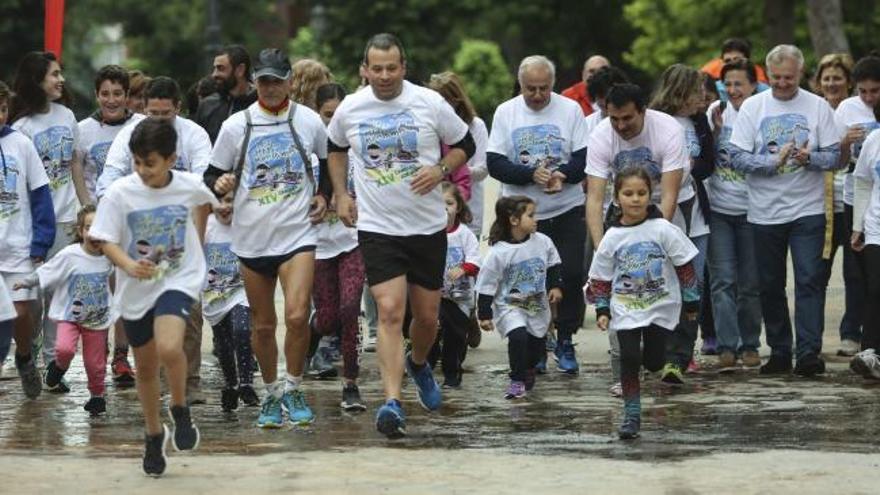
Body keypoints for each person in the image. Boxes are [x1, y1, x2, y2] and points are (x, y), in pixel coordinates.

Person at [326, 33, 475, 438]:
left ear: (404, 67)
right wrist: (341, 193)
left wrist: (441, 170)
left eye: (392, 68)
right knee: (390, 312)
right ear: (364, 69)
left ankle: (420, 363)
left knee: (426, 318)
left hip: (426, 227)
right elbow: (335, 148)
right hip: (378, 228)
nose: (385, 76)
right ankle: (392, 402)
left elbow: (466, 143)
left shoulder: (428, 102)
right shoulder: (352, 108)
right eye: (377, 68)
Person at [205, 47, 328, 428]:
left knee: (296, 315)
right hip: (251, 237)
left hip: (297, 233)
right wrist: (221, 185)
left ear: (290, 81)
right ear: (255, 81)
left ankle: (294, 385)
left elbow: (326, 162)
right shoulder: (236, 126)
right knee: (262, 325)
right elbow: (211, 175)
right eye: (265, 81)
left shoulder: (307, 120)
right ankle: (272, 393)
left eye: (278, 80)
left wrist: (324, 194)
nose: (271, 88)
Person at [91, 118, 213, 476]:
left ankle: (179, 407)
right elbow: (104, 239)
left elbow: (213, 198)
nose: (143, 171)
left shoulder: (188, 186)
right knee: (145, 367)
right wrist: (127, 264)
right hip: (135, 287)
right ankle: (153, 433)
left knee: (171, 347)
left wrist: (223, 194)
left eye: (151, 163)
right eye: (137, 162)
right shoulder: (120, 193)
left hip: (177, 278)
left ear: (172, 159)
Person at [728, 44, 842, 376]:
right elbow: (737, 157)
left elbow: (837, 156)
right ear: (767, 74)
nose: (781, 84)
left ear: (801, 74)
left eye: (788, 78)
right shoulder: (753, 107)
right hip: (764, 212)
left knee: (809, 280)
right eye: (775, 78)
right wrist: (771, 162)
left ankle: (808, 352)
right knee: (769, 283)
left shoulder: (818, 107)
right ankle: (779, 350)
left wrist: (812, 159)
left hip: (808, 208)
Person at [98, 75, 213, 403]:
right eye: (152, 113)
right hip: (139, 236)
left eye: (165, 114)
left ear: (178, 109)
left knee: (187, 314)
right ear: (142, 108)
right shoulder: (129, 135)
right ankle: (157, 382)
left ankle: (188, 383)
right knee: (145, 321)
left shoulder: (195, 136)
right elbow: (109, 177)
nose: (158, 119)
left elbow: (204, 184)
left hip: (181, 235)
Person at [487, 55, 588, 375]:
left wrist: (563, 175)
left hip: (566, 206)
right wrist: (531, 175)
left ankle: (567, 337)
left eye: (544, 88)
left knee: (570, 274)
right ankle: (536, 341)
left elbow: (584, 157)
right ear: (521, 85)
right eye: (531, 88)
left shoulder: (570, 109)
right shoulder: (507, 111)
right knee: (529, 280)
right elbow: (495, 163)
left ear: (553, 85)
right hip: (521, 212)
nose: (538, 95)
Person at [586, 167, 699, 439]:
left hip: (660, 306)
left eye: (641, 193)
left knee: (652, 360)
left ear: (650, 196)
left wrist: (692, 301)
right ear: (617, 198)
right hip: (625, 307)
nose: (635, 199)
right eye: (628, 193)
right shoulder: (612, 236)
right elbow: (600, 277)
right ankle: (632, 416)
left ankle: (655, 364)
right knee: (629, 358)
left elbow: (685, 265)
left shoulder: (663, 229)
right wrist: (602, 308)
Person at [11, 51, 89, 382]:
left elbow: (74, 164)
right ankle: (27, 351)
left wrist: (86, 206)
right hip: (36, 226)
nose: (61, 79)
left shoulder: (67, 115)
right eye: (54, 74)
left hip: (69, 220)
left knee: (61, 294)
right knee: (34, 300)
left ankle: (51, 364)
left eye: (61, 73)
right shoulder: (21, 128)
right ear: (36, 81)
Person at [13, 205, 114, 415]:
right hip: (70, 316)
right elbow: (48, 271)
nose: (94, 233)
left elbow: (123, 275)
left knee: (95, 363)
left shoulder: (110, 256)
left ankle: (97, 396)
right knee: (65, 349)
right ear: (80, 231)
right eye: (88, 228)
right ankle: (58, 367)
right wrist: (26, 282)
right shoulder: (70, 254)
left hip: (96, 320)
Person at [649, 64, 713, 384]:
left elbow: (707, 162)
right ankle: (659, 350)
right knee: (663, 284)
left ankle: (682, 356)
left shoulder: (699, 122)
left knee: (693, 284)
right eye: (696, 91)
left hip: (694, 209)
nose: (702, 96)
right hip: (665, 208)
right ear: (679, 91)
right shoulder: (656, 122)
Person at [77, 64, 138, 385]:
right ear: (96, 95)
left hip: (135, 224)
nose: (111, 100)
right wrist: (87, 212)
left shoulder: (141, 126)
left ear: (128, 96)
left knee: (128, 289)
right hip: (98, 223)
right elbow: (78, 169)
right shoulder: (83, 129)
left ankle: (123, 354)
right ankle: (103, 354)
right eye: (105, 94)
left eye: (118, 94)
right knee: (102, 291)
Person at [310, 82, 367, 410]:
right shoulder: (310, 148)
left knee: (349, 310)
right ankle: (313, 332)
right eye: (327, 116)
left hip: (353, 241)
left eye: (338, 116)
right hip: (318, 244)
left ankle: (351, 383)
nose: (333, 123)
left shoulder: (357, 149)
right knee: (329, 318)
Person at [705, 60, 763, 370]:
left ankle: (750, 344)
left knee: (750, 284)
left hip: (754, 211)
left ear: (753, 85)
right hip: (720, 210)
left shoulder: (761, 112)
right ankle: (727, 346)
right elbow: (705, 157)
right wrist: (713, 130)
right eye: (727, 84)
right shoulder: (715, 111)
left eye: (739, 84)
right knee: (722, 281)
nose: (732, 90)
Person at [0, 80, 55, 399]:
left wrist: (42, 240)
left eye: (4, 109)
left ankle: (23, 357)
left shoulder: (21, 144)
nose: (1, 116)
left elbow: (40, 194)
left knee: (22, 313)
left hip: (19, 248)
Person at [477, 195, 561, 399]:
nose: (536, 219)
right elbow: (486, 284)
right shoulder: (499, 253)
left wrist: (555, 287)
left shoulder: (543, 242)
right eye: (530, 215)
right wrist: (484, 314)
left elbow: (553, 264)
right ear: (514, 220)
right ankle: (516, 380)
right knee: (518, 338)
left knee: (535, 348)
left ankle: (529, 368)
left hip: (537, 306)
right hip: (510, 306)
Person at [833, 55, 880, 357]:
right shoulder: (847, 109)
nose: (868, 97)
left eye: (875, 91)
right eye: (862, 91)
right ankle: (861, 340)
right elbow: (841, 165)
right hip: (860, 203)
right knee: (860, 274)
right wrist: (846, 143)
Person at [202, 190, 257, 411]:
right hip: (213, 295)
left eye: (230, 201)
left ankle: (246, 383)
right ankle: (231, 385)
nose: (225, 207)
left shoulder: (246, 225)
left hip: (241, 291)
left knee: (242, 330)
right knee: (223, 344)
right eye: (220, 201)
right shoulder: (205, 226)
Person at [429, 182, 480, 388]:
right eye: (438, 204)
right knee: (432, 329)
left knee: (456, 337)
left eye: (449, 203)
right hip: (435, 295)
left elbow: (477, 261)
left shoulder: (465, 234)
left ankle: (452, 373)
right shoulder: (429, 234)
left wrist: (464, 268)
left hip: (460, 297)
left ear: (458, 207)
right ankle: (426, 367)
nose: (444, 208)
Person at [428, 71, 490, 240]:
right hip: (435, 215)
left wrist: (454, 168)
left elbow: (483, 169)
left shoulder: (476, 126)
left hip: (468, 212)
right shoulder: (430, 128)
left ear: (455, 100)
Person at [849, 100, 880, 379]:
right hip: (876, 227)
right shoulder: (874, 140)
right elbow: (863, 182)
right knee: (876, 289)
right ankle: (870, 351)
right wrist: (858, 225)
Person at [195, 45, 257, 144]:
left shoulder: (260, 105)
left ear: (240, 70)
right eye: (214, 68)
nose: (214, 74)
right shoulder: (207, 106)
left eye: (220, 68)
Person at [700, 37, 769, 84]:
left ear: (748, 61)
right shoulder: (711, 69)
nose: (731, 64)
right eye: (727, 61)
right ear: (721, 61)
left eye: (737, 60)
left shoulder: (758, 74)